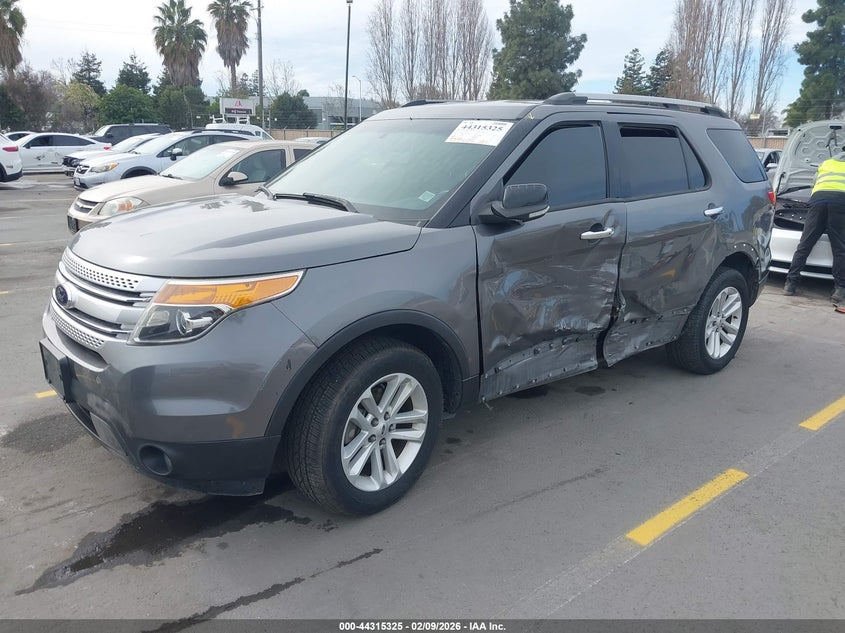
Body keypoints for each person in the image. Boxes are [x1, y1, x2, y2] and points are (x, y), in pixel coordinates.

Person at [783, 147, 845, 305]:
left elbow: (814, 183)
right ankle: (839, 289)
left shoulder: (827, 163)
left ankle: (790, 284)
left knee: (805, 244)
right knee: (840, 248)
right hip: (840, 203)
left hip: (817, 201)